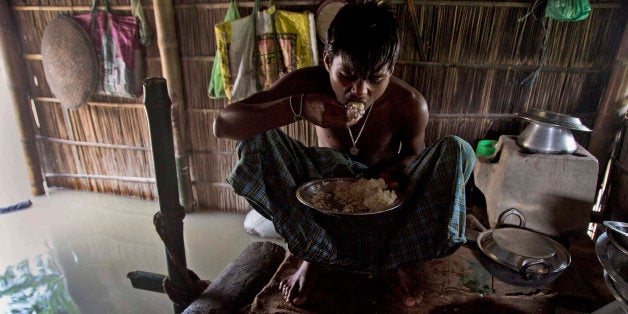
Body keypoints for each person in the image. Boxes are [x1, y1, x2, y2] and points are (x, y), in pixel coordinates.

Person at [213, 0, 475, 307]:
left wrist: (393, 171)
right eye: (347, 75)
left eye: (376, 78)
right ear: (327, 61)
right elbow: (223, 125)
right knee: (254, 137)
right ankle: (312, 259)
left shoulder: (408, 103)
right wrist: (297, 106)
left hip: (382, 195)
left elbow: (415, 155)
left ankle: (391, 264)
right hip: (322, 191)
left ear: (391, 69)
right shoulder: (308, 83)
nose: (360, 91)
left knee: (458, 151)